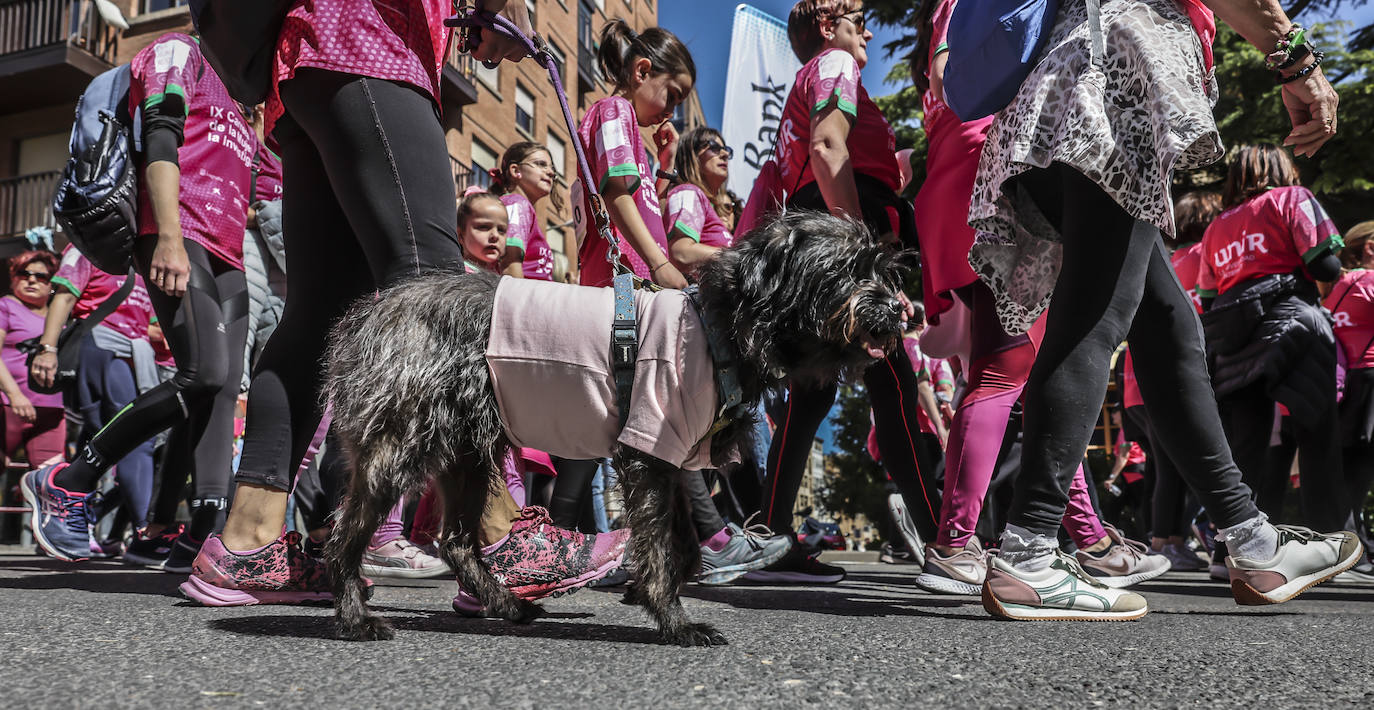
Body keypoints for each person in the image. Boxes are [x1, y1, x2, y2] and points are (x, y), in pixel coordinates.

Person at [180, 1, 623, 608]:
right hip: (371, 42)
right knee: (440, 296)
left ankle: (248, 542)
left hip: (312, 58)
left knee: (318, 315)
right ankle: (494, 539)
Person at [968, 0, 1359, 620]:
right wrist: (1296, 59)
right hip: (1115, 76)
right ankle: (1028, 552)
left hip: (1067, 81)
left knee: (1167, 324)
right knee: (1096, 316)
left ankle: (1252, 541)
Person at [747, 0, 933, 586]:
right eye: (858, 18)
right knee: (895, 385)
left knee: (811, 395)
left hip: (817, 235)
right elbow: (831, 149)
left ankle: (770, 537)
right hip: (843, 238)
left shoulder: (806, 84)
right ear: (830, 27)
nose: (870, 30)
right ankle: (943, 539)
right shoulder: (834, 66)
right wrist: (868, 260)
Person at [1198, 145, 1345, 536]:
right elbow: (1325, 264)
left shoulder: (1215, 228)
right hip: (1294, 321)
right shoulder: (1293, 198)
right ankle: (1328, 539)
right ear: (1283, 169)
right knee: (1317, 433)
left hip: (1235, 338)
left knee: (1247, 445)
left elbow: (1209, 299)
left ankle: (1236, 545)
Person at [31, 245, 159, 561]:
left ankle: (61, 515)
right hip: (102, 345)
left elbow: (153, 325)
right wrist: (47, 349)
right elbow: (64, 296)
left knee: (101, 441)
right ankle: (146, 534)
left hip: (136, 356)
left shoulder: (146, 260)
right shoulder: (88, 249)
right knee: (135, 441)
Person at [572, 19, 693, 290]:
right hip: (620, 283)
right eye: (672, 96)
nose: (670, 113)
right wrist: (660, 264)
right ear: (642, 71)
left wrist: (665, 164)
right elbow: (615, 193)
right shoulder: (615, 110)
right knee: (623, 335)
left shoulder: (629, 131)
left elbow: (652, 214)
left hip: (634, 280)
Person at [1322, 219, 1374, 570]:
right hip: (1370, 379)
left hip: (1343, 385)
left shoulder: (1334, 285)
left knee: (1350, 470)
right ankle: (1354, 549)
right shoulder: (1370, 282)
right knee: (1362, 469)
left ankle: (1350, 544)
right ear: (1369, 248)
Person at [0, 252, 65, 472]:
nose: (31, 280)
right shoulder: (6, 306)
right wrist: (15, 395)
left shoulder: (61, 319)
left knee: (49, 482)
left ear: (52, 284)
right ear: (13, 278)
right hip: (7, 406)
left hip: (51, 411)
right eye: (24, 273)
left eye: (41, 276)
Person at [662, 126, 734, 278]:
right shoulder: (689, 193)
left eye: (726, 149)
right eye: (714, 147)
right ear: (692, 156)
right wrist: (739, 257)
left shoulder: (705, 203)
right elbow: (680, 253)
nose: (725, 154)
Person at [490, 142, 562, 281]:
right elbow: (510, 267)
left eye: (551, 168)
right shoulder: (517, 203)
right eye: (541, 164)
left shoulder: (519, 206)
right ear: (515, 171)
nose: (551, 172)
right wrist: (519, 302)